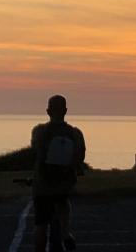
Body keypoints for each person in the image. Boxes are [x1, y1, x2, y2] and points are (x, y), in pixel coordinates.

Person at [31, 95, 86, 252]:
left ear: (48, 111)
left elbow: (36, 151)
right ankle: (65, 233)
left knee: (41, 223)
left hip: (42, 185)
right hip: (64, 185)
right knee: (63, 211)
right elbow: (80, 156)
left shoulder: (39, 131)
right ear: (65, 111)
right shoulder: (75, 133)